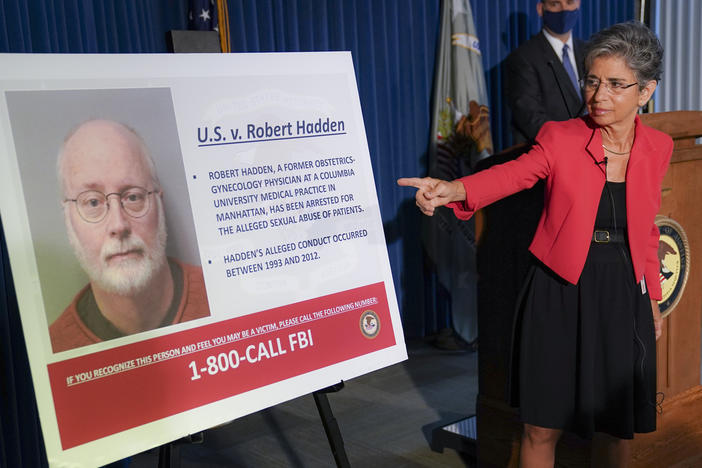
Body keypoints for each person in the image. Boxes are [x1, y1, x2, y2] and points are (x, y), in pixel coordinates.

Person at [399, 22, 670, 467]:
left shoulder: (657, 147)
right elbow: (511, 175)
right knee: (541, 425)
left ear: (645, 91)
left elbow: (645, 231)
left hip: (623, 292)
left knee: (614, 428)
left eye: (616, 85)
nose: (599, 95)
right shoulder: (561, 138)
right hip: (559, 288)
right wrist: (452, 190)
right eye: (592, 81)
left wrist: (653, 300)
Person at [49, 119, 210, 353]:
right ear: (67, 217)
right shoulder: (56, 350)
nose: (119, 224)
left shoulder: (225, 295)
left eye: (133, 197)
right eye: (93, 202)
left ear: (158, 202)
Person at [505, 0, 586, 144]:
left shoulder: (590, 52)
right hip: (551, 153)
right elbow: (530, 117)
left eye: (569, 2)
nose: (564, 10)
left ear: (578, 4)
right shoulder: (523, 58)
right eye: (555, 4)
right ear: (540, 8)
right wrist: (573, 143)